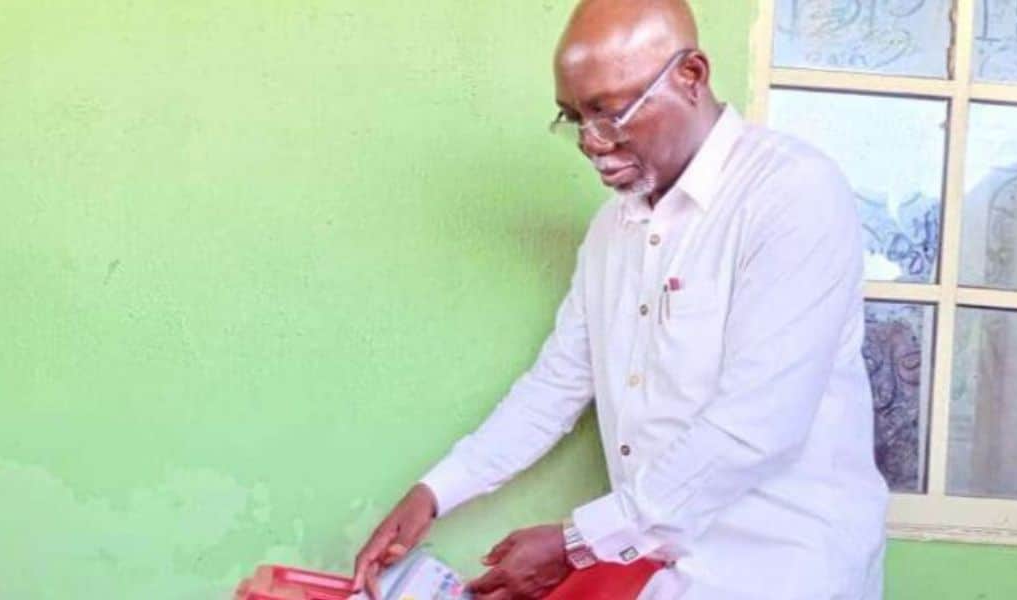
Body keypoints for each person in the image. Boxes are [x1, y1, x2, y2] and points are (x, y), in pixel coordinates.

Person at [352, 1, 889, 598]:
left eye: (610, 112)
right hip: (665, 575)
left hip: (783, 571)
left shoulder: (791, 193)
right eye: (573, 118)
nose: (590, 141)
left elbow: (755, 426)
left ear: (692, 76)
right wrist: (434, 492)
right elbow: (555, 386)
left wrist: (577, 542)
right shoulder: (614, 230)